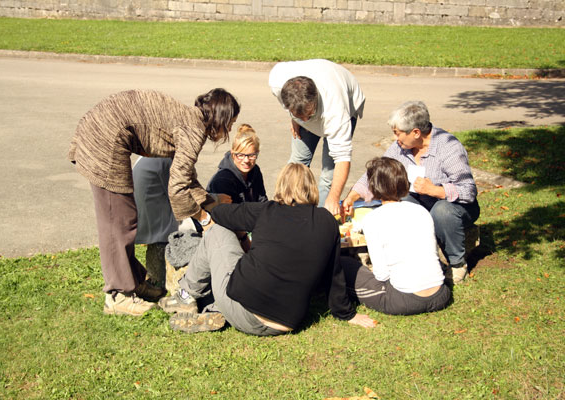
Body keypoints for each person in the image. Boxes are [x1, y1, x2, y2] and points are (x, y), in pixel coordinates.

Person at [68, 88, 240, 316]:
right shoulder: (193, 129)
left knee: (125, 217)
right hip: (104, 138)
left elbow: (185, 176)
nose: (229, 130)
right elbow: (177, 188)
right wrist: (205, 219)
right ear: (221, 117)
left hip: (103, 129)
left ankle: (135, 283)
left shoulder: (189, 119)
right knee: (117, 221)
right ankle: (117, 295)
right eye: (230, 123)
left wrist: (208, 201)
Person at [159, 163, 377, 335]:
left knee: (217, 232)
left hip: (244, 309)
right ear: (311, 188)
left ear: (281, 186)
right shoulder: (327, 221)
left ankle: (186, 295)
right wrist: (347, 314)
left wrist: (212, 204)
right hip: (287, 322)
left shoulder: (266, 210)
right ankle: (212, 309)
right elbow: (334, 274)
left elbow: (219, 216)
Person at [342, 101, 480, 284]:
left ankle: (457, 264)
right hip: (421, 203)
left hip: (456, 208)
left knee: (442, 211)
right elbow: (379, 172)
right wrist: (353, 195)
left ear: (416, 132)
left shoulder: (449, 147)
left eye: (398, 133)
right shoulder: (401, 147)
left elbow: (468, 191)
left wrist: (436, 190)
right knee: (398, 200)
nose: (395, 139)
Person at [341, 157, 451, 315]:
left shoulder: (373, 219)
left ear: (373, 187)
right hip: (441, 294)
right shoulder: (421, 211)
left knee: (343, 264)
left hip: (404, 300)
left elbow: (381, 274)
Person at [268, 59, 366, 216]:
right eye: (300, 115)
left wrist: (333, 198)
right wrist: (295, 118)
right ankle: (286, 215)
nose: (306, 120)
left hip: (345, 101)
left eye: (309, 114)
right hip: (306, 104)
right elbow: (295, 108)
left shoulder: (335, 109)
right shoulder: (277, 81)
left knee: (328, 177)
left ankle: (318, 220)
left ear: (315, 99)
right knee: (297, 163)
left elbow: (342, 158)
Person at [206, 123, 268, 251]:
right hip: (228, 232)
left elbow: (262, 202)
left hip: (248, 227)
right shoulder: (223, 180)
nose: (246, 160)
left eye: (251, 155)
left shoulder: (255, 171)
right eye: (241, 155)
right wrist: (247, 242)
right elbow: (228, 219)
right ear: (233, 153)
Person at [132, 156, 179, 290]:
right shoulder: (165, 160)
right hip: (155, 225)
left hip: (142, 219)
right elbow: (179, 194)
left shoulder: (147, 157)